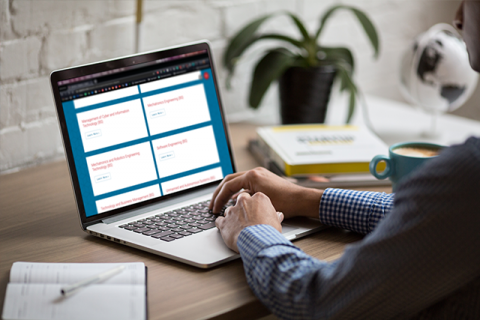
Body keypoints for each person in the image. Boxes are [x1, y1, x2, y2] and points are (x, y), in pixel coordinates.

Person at [209, 1, 480, 319]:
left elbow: (318, 301)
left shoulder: (469, 173)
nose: (457, 17)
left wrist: (254, 231)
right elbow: (434, 217)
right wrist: (305, 198)